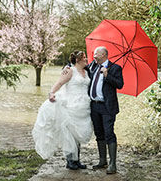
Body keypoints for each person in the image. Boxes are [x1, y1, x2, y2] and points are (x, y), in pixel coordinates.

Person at [32, 50, 93, 170]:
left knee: (78, 133)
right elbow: (59, 83)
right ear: (78, 60)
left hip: (84, 106)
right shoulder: (70, 71)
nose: (87, 59)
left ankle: (77, 160)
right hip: (71, 104)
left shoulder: (87, 71)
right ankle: (70, 160)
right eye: (84, 57)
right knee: (69, 133)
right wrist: (51, 93)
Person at [88, 46, 124, 174]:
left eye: (96, 54)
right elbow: (80, 68)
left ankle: (112, 164)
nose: (94, 56)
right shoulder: (93, 66)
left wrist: (107, 75)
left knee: (109, 133)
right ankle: (102, 160)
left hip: (107, 106)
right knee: (99, 133)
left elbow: (120, 84)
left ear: (103, 54)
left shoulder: (115, 68)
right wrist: (69, 67)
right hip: (94, 106)